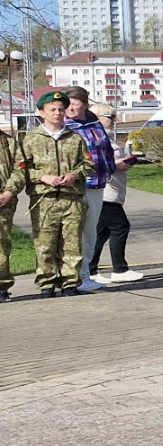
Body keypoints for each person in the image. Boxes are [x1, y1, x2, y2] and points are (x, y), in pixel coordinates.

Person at [19, 90, 94, 297]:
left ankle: (70, 283)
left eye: (61, 109)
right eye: (52, 109)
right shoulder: (31, 139)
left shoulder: (75, 138)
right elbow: (22, 168)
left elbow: (89, 164)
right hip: (45, 199)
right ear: (42, 112)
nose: (58, 113)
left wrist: (74, 174)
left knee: (72, 244)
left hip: (72, 199)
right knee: (45, 244)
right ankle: (47, 283)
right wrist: (43, 176)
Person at [62, 87, 115, 293]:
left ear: (85, 104)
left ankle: (86, 273)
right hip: (75, 186)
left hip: (97, 183)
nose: (70, 108)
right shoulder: (64, 125)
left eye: (75, 104)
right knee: (75, 232)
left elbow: (106, 148)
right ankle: (74, 276)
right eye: (67, 104)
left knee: (91, 232)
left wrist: (110, 167)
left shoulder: (94, 123)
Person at [88, 110, 141, 285]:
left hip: (113, 191)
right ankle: (119, 269)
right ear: (97, 117)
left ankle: (91, 269)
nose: (114, 120)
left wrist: (125, 161)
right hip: (105, 191)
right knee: (120, 226)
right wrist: (116, 165)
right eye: (109, 117)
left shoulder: (108, 138)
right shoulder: (96, 138)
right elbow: (96, 164)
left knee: (101, 232)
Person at [0, 125, 19, 301]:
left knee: (2, 244)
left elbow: (20, 169)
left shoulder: (9, 143)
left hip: (4, 201)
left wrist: (8, 192)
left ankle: (1, 286)